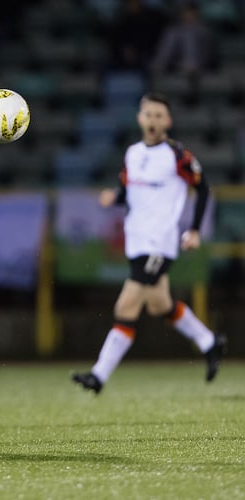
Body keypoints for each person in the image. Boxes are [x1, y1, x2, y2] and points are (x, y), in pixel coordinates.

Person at [72, 92, 225, 395]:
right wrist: (113, 196)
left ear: (167, 121)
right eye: (148, 115)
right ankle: (210, 342)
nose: (153, 121)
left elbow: (203, 189)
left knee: (126, 305)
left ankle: (98, 376)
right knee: (159, 305)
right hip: (137, 241)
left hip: (160, 242)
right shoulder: (132, 153)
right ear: (140, 119)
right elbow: (127, 190)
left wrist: (194, 230)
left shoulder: (177, 155)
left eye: (159, 116)